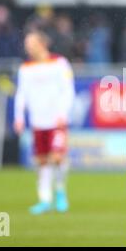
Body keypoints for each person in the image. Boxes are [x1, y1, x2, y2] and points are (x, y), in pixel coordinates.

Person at [14, 31, 75, 215]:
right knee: (41, 161)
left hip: (56, 119)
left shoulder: (59, 63)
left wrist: (63, 113)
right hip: (37, 121)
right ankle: (45, 199)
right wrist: (19, 117)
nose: (27, 46)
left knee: (57, 158)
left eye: (30, 42)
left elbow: (68, 89)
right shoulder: (25, 67)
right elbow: (21, 94)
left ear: (42, 43)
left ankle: (60, 192)